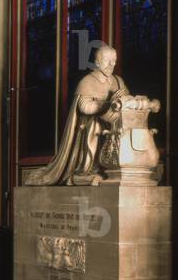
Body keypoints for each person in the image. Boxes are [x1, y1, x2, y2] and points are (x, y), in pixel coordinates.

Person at [25, 43, 130, 186]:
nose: (111, 64)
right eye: (107, 60)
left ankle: (118, 166)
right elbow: (84, 107)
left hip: (113, 122)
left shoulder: (118, 81)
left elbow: (127, 101)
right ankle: (86, 170)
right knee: (94, 127)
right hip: (91, 125)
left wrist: (125, 100)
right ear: (97, 62)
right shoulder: (87, 81)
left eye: (114, 60)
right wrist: (108, 104)